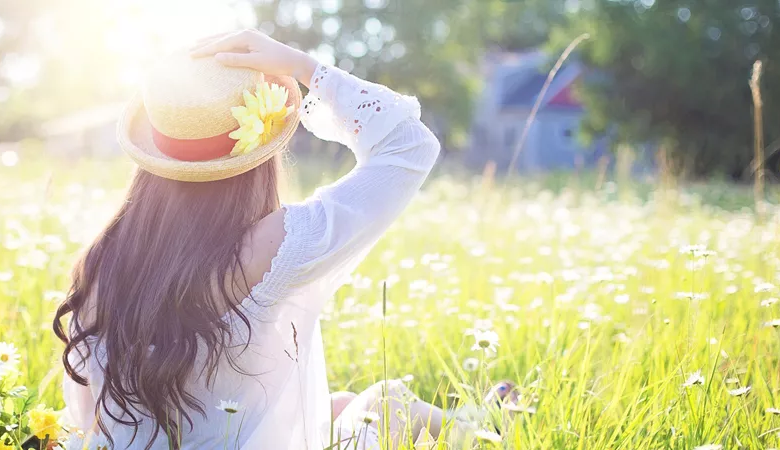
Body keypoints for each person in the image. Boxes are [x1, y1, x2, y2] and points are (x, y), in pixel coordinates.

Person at [53, 30, 507, 450]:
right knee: (383, 406)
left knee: (343, 404)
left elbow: (90, 416)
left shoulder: (103, 257)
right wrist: (305, 67)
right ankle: (487, 426)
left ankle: (476, 415)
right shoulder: (273, 246)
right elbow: (410, 145)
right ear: (259, 154)